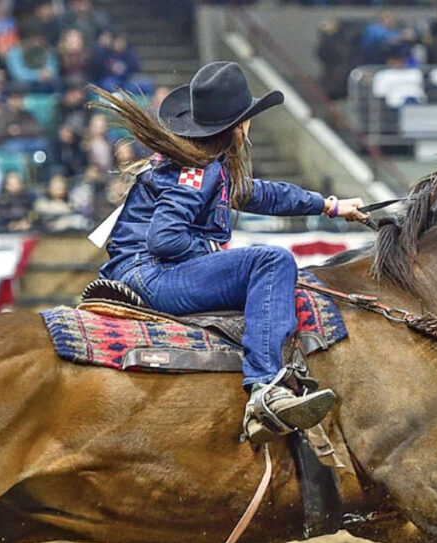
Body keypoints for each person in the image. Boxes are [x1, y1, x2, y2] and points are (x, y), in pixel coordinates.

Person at [93, 61, 368, 442]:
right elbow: (165, 239)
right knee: (273, 261)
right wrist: (210, 251)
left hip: (136, 269)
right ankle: (264, 388)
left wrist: (329, 206)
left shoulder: (203, 162)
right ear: (238, 126)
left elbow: (258, 193)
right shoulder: (199, 169)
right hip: (150, 274)